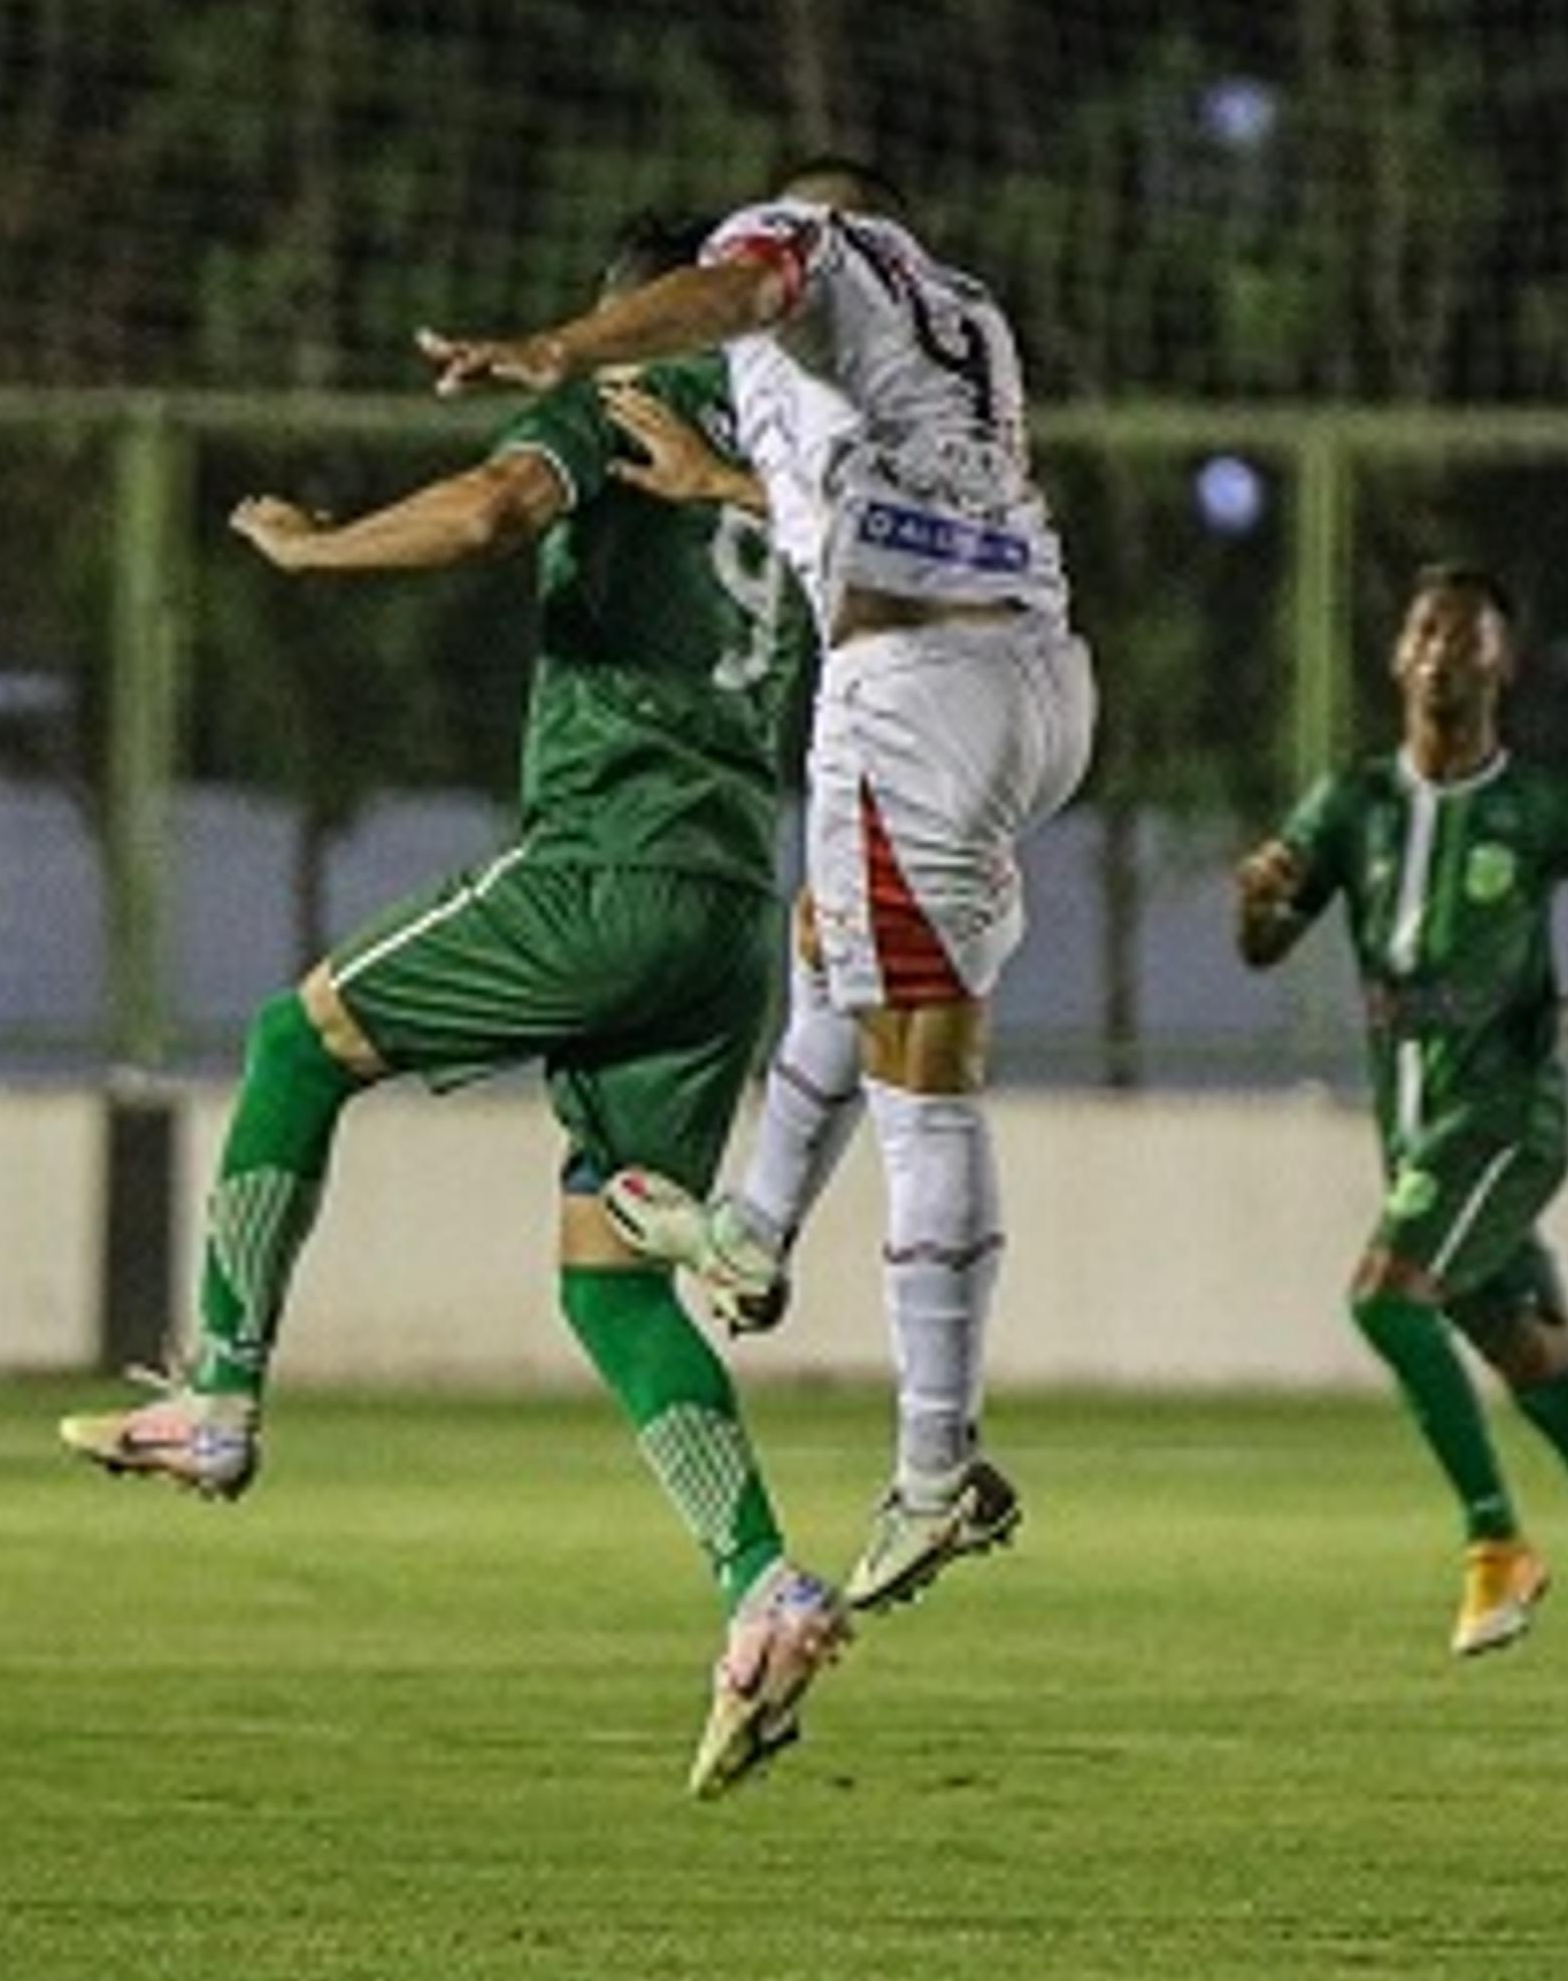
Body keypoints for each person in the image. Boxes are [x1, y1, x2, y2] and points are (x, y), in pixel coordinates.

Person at [62, 215, 850, 1799]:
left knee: (301, 1040)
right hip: (729, 908)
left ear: (629, 305)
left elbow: (495, 508)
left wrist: (316, 549)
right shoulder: (802, 450)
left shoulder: (627, 395)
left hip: (606, 864)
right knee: (611, 1282)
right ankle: (761, 1582)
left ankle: (217, 1393)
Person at [421, 157, 1098, 1620]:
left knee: (925, 1073)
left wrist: (568, 345)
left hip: (913, 689)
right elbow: (879, 502)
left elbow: (737, 285)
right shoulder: (962, 314)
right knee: (830, 943)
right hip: (1037, 680)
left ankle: (937, 1469)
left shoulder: (802, 249)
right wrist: (725, 481)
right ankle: (756, 1229)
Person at [1233, 564, 1568, 1722]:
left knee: (1384, 1297)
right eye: (1424, 630)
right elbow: (1265, 942)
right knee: (1546, 1375)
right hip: (1414, 1121)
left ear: (1500, 665)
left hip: (1511, 1114)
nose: (1441, 652)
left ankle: (1495, 1543)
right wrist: (1253, 897)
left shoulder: (1545, 808)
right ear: (1397, 655)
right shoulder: (1353, 804)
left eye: (1467, 637)